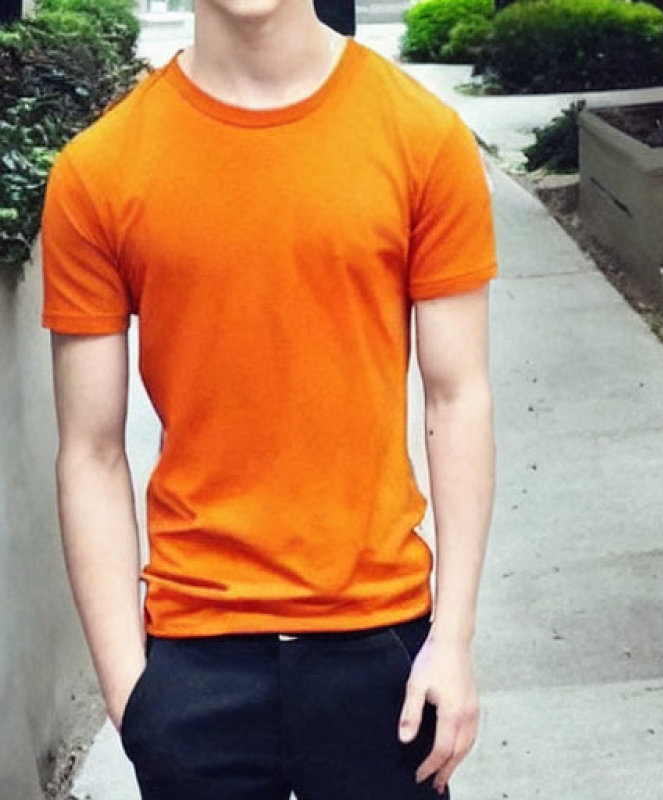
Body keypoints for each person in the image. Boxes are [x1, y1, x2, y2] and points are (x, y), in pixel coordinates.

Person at [39, 0, 497, 795]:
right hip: (195, 658)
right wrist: (132, 695)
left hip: (379, 650)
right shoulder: (100, 169)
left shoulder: (421, 136)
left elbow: (457, 399)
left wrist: (450, 639)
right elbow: (90, 449)